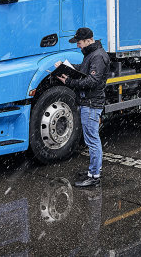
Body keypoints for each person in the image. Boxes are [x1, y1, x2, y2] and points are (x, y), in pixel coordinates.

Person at [56, 27, 110, 187]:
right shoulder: (91, 54)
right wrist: (67, 67)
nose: (78, 46)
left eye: (79, 43)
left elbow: (92, 81)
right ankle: (93, 170)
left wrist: (69, 82)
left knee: (92, 140)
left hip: (92, 103)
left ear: (88, 40)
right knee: (91, 138)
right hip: (88, 102)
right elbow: (83, 70)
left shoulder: (98, 57)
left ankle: (94, 176)